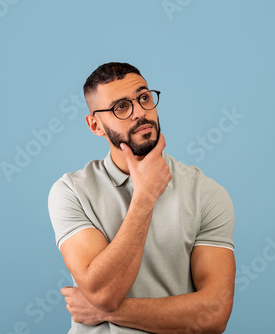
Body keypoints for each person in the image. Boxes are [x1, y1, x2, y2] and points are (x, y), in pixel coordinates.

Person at [48, 62, 236, 334]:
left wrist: (105, 312)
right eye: (121, 107)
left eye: (144, 98)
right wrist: (145, 196)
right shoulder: (71, 192)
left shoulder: (205, 192)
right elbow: (105, 293)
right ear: (95, 125)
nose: (140, 112)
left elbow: (214, 314)